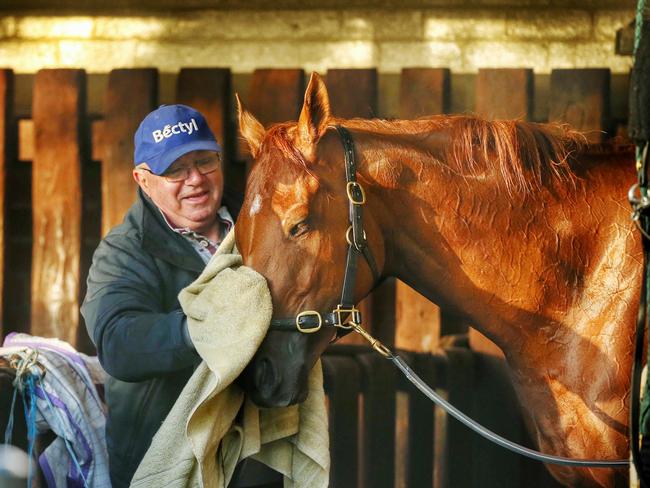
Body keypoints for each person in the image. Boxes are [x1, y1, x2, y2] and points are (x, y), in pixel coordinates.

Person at [81, 104, 281, 488]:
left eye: (205, 161)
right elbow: (119, 343)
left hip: (257, 459)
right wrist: (204, 329)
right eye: (175, 169)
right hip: (163, 458)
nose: (195, 180)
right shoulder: (125, 250)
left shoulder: (261, 224)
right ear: (143, 179)